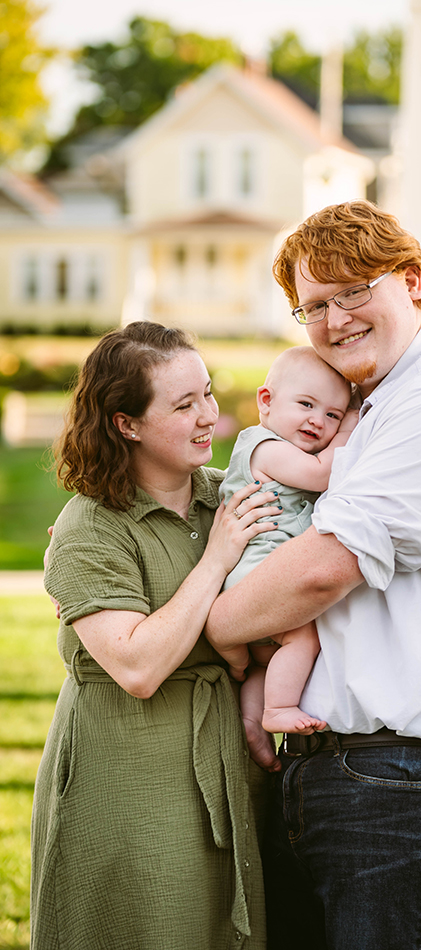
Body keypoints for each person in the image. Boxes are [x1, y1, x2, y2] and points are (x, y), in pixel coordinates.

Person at [204, 200, 421, 950]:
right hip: (344, 770)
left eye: (354, 291)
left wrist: (217, 624)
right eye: (312, 305)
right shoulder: (375, 406)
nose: (334, 319)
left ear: (413, 282)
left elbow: (322, 571)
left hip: (405, 783)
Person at [32, 322, 281, 950]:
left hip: (227, 767)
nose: (208, 416)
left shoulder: (227, 495)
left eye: (207, 393)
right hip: (126, 777)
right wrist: (217, 561)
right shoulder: (91, 526)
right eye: (183, 404)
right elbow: (138, 667)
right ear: (126, 424)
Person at [213, 346, 357, 771]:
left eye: (333, 414)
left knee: (266, 660)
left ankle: (252, 720)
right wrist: (350, 430)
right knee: (302, 638)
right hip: (258, 575)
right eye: (307, 405)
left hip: (254, 580)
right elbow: (318, 474)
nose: (319, 420)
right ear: (266, 402)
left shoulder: (279, 447)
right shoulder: (263, 447)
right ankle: (278, 710)